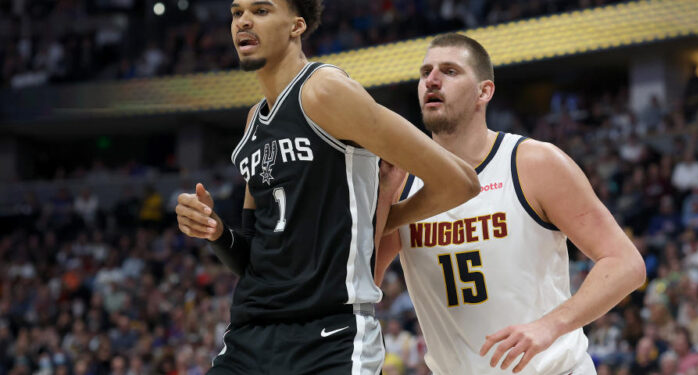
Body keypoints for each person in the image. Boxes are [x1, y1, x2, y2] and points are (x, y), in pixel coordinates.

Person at [174, 1, 480, 374]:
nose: (244, 22)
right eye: (237, 13)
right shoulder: (254, 120)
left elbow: (459, 182)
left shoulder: (325, 91)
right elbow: (254, 257)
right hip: (248, 338)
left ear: (296, 26)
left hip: (329, 338)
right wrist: (217, 231)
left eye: (262, 10)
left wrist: (377, 222)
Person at [376, 33, 646, 375]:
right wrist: (382, 199)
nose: (431, 79)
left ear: (484, 92)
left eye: (449, 71)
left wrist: (550, 325)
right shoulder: (400, 180)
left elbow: (626, 264)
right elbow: (363, 284)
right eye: (425, 71)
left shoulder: (534, 163)